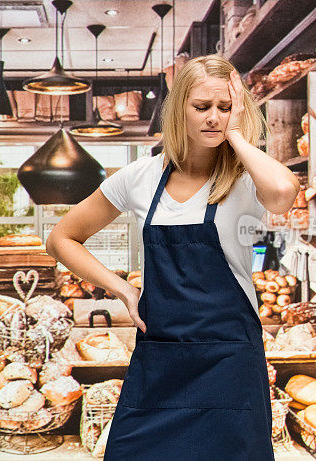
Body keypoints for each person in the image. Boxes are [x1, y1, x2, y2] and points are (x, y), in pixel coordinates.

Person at [45, 55, 299, 460]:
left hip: (230, 361)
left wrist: (236, 135)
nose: (213, 118)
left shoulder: (247, 177)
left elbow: (285, 195)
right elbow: (61, 238)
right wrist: (120, 289)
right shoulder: (140, 177)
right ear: (179, 107)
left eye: (225, 107)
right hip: (161, 360)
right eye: (201, 107)